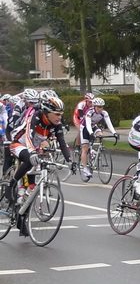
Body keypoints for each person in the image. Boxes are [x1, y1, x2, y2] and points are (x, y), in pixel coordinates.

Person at [7, 97, 73, 233]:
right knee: (29, 160)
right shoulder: (36, 117)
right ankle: (11, 184)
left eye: (61, 114)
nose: (60, 117)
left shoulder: (55, 123)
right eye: (57, 114)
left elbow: (62, 142)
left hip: (34, 147)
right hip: (19, 143)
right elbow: (28, 136)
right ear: (47, 112)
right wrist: (32, 152)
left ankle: (21, 216)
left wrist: (70, 161)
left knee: (32, 188)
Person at [79, 97, 117, 180]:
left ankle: (94, 150)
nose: (100, 109)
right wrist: (91, 133)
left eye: (102, 107)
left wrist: (114, 133)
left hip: (93, 126)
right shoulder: (90, 112)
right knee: (85, 148)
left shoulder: (104, 113)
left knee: (100, 135)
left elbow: (109, 124)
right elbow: (88, 125)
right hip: (85, 127)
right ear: (94, 106)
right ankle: (85, 168)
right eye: (98, 107)